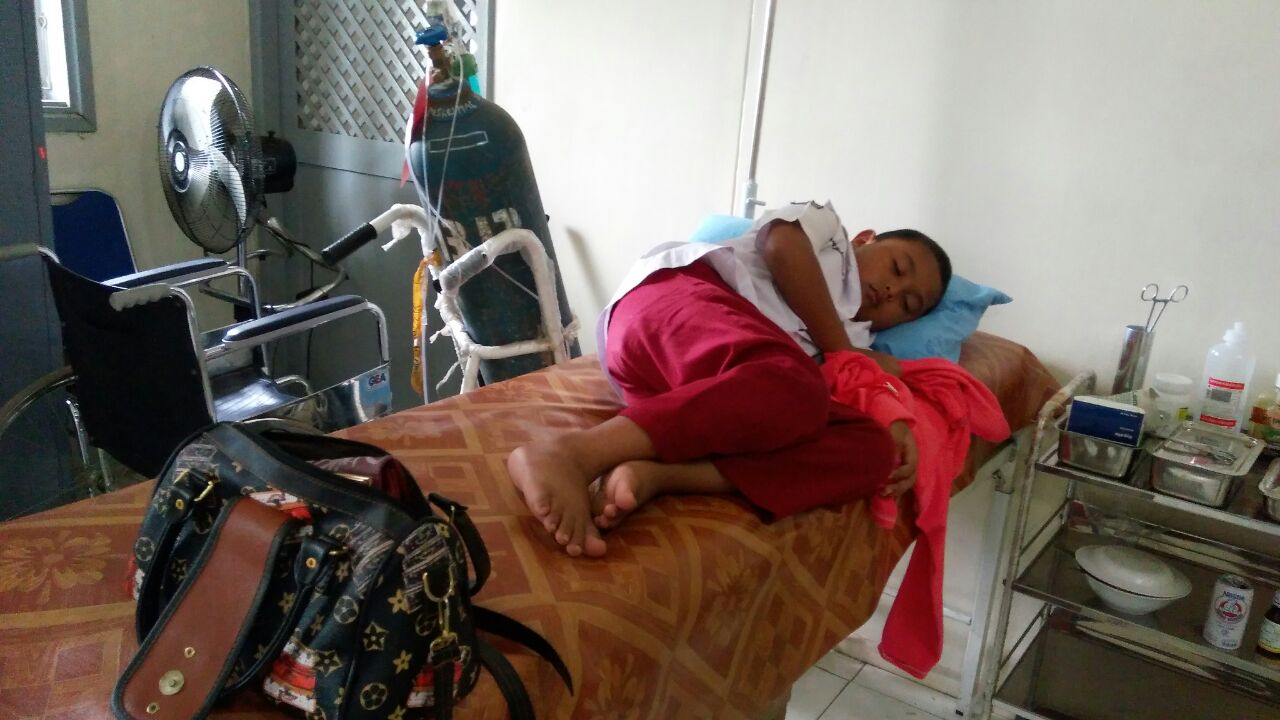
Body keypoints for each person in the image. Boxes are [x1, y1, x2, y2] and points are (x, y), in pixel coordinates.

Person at [508, 202, 951, 557]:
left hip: (694, 399)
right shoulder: (828, 232)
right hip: (674, 301)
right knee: (797, 383)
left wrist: (893, 418)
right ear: (865, 239)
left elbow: (814, 409)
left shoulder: (859, 343)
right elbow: (781, 244)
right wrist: (842, 350)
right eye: (898, 268)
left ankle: (663, 475)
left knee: (871, 451)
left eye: (907, 305)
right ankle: (575, 454)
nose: (892, 292)